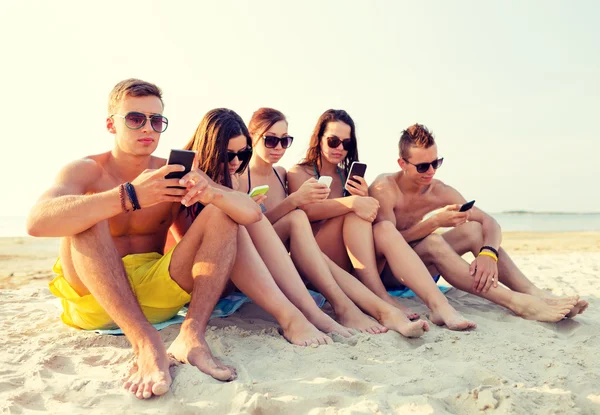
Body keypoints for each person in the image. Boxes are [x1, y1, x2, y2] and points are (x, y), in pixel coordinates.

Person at [26, 79, 264, 399]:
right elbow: (36, 221)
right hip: (94, 298)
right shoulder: (86, 170)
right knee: (88, 213)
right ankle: (145, 342)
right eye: (135, 119)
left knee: (221, 213)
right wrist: (130, 195)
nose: (147, 128)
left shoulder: (174, 172)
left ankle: (191, 334)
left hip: (156, 294)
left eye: (156, 120)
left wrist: (210, 191)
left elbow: (249, 213)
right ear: (112, 124)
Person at [236, 107, 429, 337]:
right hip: (259, 260)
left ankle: (377, 309)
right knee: (299, 219)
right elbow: (252, 232)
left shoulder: (280, 173)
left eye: (284, 140)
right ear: (252, 136)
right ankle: (360, 307)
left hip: (296, 255)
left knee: (321, 252)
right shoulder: (239, 176)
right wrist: (294, 201)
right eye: (270, 140)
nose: (278, 147)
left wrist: (363, 198)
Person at [369, 123, 583, 322]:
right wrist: (434, 222)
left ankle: (535, 293)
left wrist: (488, 254)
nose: (432, 171)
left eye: (436, 163)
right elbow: (386, 244)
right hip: (391, 272)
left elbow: (489, 222)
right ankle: (515, 301)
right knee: (433, 242)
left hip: (423, 266)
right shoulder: (385, 188)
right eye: (423, 166)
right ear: (402, 163)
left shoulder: (440, 191)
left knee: (473, 230)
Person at [179, 108, 357, 342]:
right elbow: (182, 236)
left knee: (272, 218)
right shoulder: (189, 177)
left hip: (230, 270)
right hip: (198, 272)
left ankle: (314, 313)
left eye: (242, 155)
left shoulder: (232, 177)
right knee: (234, 219)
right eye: (228, 155)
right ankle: (298, 317)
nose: (235, 162)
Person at [288, 110, 477, 330]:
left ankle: (439, 305)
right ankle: (380, 296)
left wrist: (364, 197)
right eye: (333, 141)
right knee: (355, 210)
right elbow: (305, 212)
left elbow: (370, 220)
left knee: (380, 224)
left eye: (346, 143)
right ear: (319, 139)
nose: (340, 148)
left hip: (350, 264)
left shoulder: (348, 176)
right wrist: (352, 203)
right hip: (314, 262)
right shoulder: (299, 172)